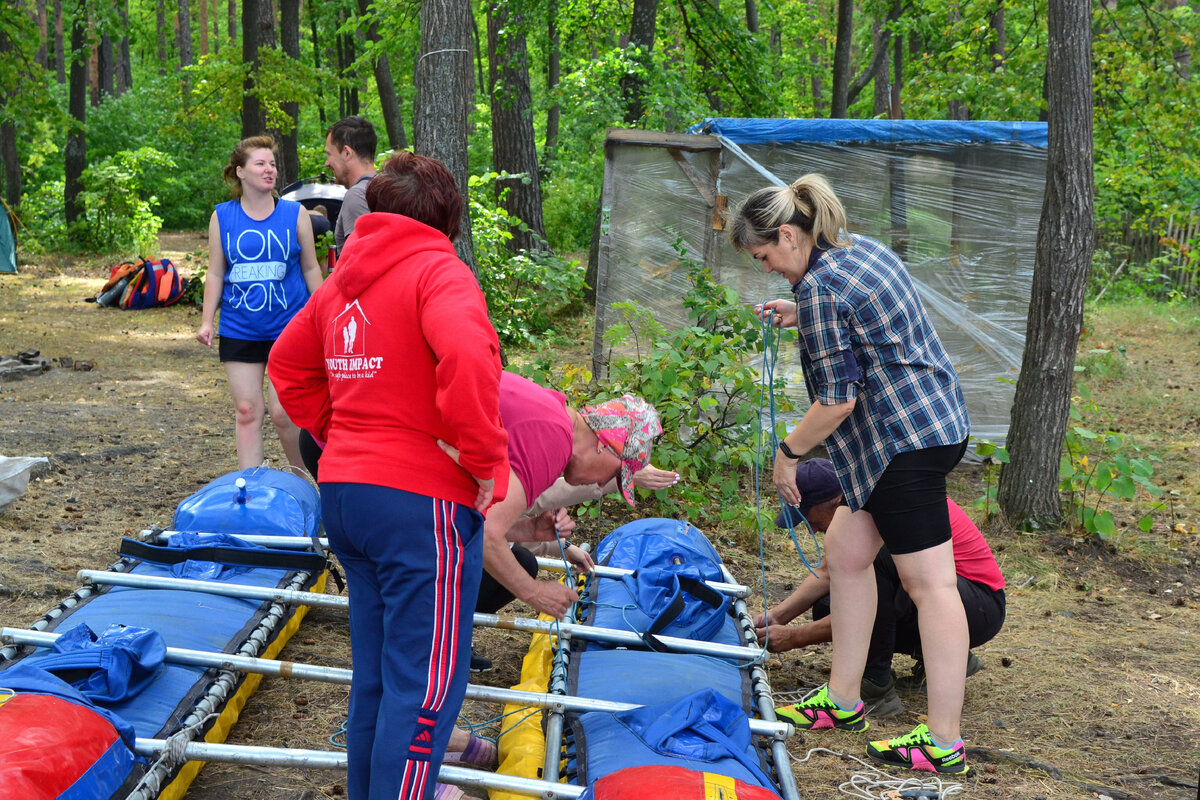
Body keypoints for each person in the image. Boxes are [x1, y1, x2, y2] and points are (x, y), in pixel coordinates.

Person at [268, 151, 509, 800]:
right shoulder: (439, 271)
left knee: (377, 680)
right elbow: (467, 353)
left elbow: (286, 365)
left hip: (348, 501)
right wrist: (484, 457)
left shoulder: (346, 280)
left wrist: (340, 430)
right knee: (424, 688)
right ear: (447, 220)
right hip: (418, 505)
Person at [730, 173, 972, 775]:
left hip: (904, 442)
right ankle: (842, 700)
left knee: (931, 586)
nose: (766, 269)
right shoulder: (855, 249)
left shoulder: (823, 288)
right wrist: (800, 314)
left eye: (764, 256)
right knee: (845, 550)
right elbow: (866, 323)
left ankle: (944, 740)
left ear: (788, 235)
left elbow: (838, 400)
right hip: (927, 421)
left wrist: (787, 453)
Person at [753, 458, 1006, 718]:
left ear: (834, 500)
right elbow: (828, 573)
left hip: (979, 606)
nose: (811, 528)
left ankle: (876, 687)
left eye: (809, 516)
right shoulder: (861, 497)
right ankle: (947, 658)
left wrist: (794, 637)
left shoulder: (882, 503)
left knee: (871, 559)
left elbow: (863, 609)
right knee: (830, 602)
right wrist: (775, 617)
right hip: (951, 598)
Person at [440, 372, 662, 623]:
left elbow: (475, 520)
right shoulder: (555, 436)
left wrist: (528, 530)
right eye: (615, 474)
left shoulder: (549, 412)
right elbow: (486, 536)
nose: (602, 483)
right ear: (604, 445)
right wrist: (534, 592)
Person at [196, 135, 323, 470]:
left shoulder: (296, 215)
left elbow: (311, 268)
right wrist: (208, 321)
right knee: (248, 411)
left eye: (272, 164)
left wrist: (326, 315)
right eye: (260, 164)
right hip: (240, 328)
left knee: (285, 415)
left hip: (290, 330)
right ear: (240, 172)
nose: (270, 170)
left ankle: (306, 484)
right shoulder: (222, 217)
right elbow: (216, 274)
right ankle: (248, 490)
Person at [323, 116, 378, 251]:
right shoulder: (388, 189)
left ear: (347, 153)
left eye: (329, 154)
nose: (327, 163)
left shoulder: (357, 195)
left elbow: (361, 261)